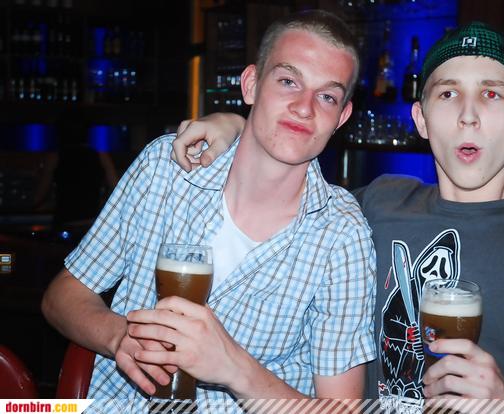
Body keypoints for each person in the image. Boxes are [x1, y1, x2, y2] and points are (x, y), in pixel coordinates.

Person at [170, 21, 504, 412]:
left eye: (491, 94)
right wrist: (236, 126)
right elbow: (287, 179)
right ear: (421, 119)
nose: (468, 116)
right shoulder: (377, 205)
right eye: (448, 94)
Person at [41, 10, 377, 413]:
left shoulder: (340, 232)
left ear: (341, 117)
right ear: (251, 85)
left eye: (326, 96)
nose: (305, 108)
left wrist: (234, 368)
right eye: (288, 81)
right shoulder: (167, 168)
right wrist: (119, 337)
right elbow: (62, 296)